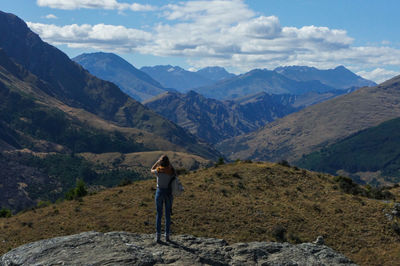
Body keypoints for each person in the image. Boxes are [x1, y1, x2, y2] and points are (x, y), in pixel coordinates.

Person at [151, 155, 175, 243]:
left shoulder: (158, 170)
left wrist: (157, 162)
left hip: (159, 192)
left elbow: (151, 170)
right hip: (168, 193)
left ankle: (158, 236)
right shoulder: (170, 171)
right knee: (167, 214)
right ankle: (167, 235)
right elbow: (174, 171)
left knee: (159, 214)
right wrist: (169, 163)